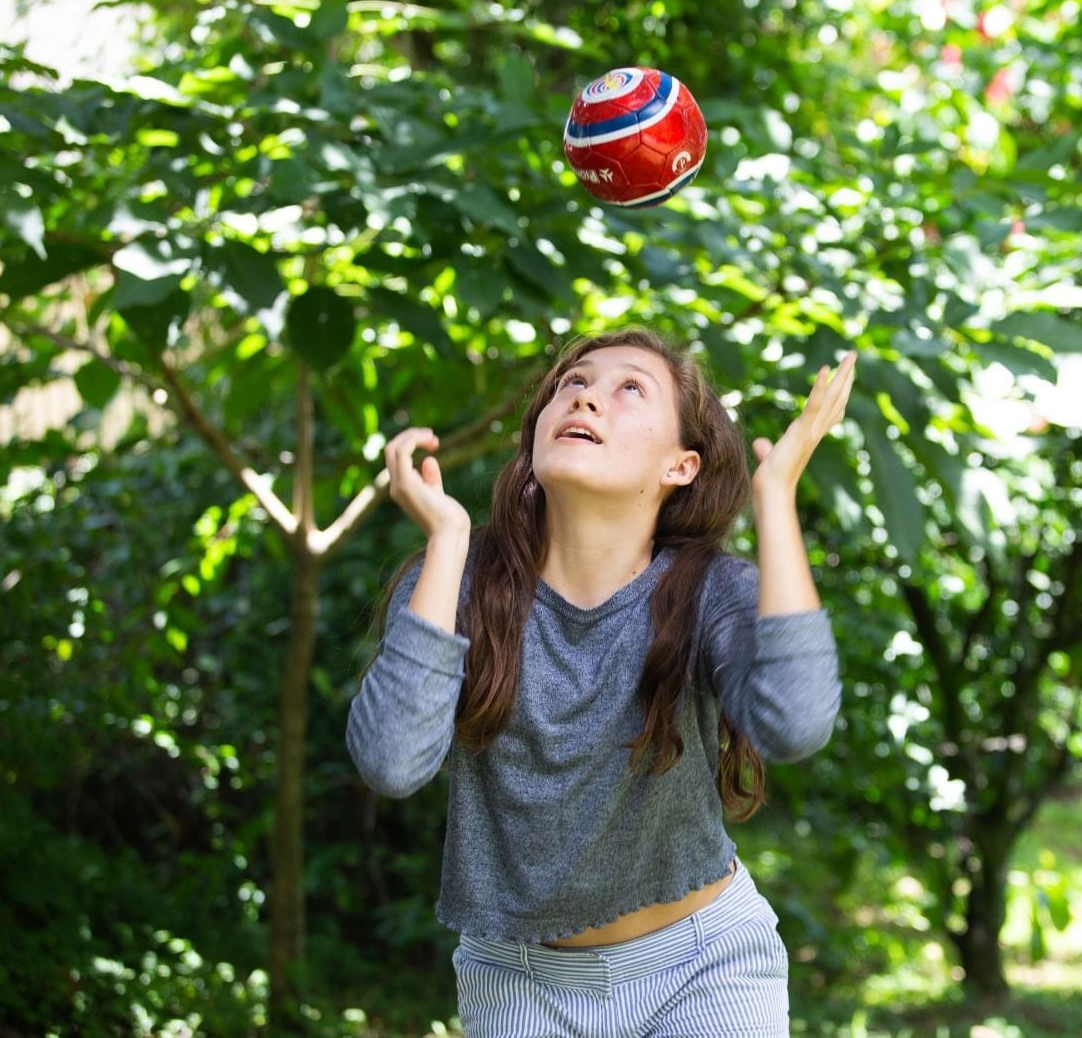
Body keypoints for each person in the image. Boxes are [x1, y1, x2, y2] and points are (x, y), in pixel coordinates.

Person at [347, 328, 856, 1037]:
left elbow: (797, 724)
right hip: (518, 982)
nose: (584, 394)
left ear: (681, 465)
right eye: (572, 383)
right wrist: (448, 540)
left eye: (629, 389)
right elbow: (391, 762)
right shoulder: (454, 581)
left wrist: (774, 497)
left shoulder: (712, 593)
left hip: (705, 965)